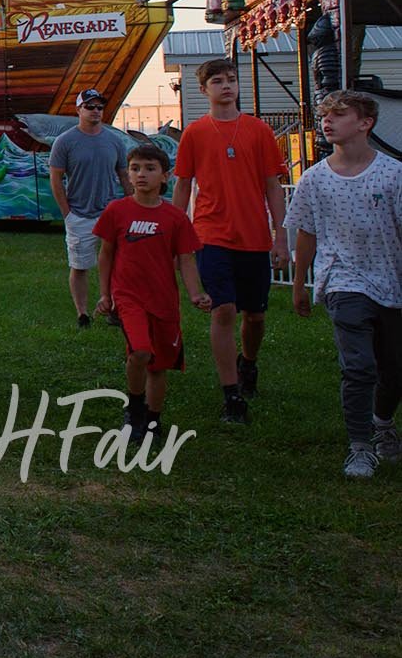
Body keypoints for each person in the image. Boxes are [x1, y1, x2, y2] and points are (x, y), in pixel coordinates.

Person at [285, 91, 402, 478]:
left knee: (394, 369)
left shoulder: (393, 173)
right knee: (359, 366)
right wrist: (300, 283)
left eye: (338, 114)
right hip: (343, 281)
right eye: (323, 115)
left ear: (365, 123)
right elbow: (306, 232)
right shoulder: (315, 179)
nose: (327, 121)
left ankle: (382, 422)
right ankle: (360, 448)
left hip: (391, 280)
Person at [171, 56, 287, 425]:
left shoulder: (258, 131)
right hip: (211, 234)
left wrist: (280, 235)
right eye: (217, 80)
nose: (227, 86)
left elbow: (273, 185)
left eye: (231, 79)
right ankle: (231, 394)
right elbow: (183, 184)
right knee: (223, 310)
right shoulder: (194, 133)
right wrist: (175, 230)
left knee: (255, 316)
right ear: (203, 89)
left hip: (253, 235)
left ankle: (248, 363)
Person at [93, 144, 211, 450]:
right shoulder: (117, 211)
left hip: (164, 301)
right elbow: (105, 255)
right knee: (141, 352)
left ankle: (154, 420)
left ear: (165, 176)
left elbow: (186, 259)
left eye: (149, 168)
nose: (141, 174)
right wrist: (105, 294)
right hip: (128, 297)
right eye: (135, 168)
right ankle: (134, 409)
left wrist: (196, 293)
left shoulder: (174, 217)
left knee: (158, 365)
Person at [49, 88, 129, 328]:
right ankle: (82, 313)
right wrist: (67, 213)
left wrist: (131, 204)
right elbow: (55, 179)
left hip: (110, 213)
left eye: (99, 107)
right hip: (79, 215)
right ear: (79, 110)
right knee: (80, 265)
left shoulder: (114, 141)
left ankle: (115, 308)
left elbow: (124, 175)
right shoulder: (65, 142)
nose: (95, 111)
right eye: (90, 107)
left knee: (118, 264)